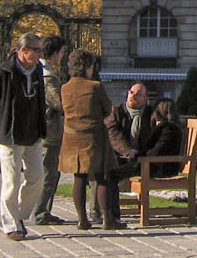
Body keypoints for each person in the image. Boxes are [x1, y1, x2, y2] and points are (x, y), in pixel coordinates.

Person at [0, 33, 49, 241]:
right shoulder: (2, 72)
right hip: (10, 135)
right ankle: (12, 225)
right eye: (36, 50)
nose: (40, 54)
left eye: (40, 50)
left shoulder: (37, 70)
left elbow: (40, 99)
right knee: (11, 181)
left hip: (33, 133)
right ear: (23, 51)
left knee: (37, 178)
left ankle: (18, 215)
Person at [58, 49, 127, 230]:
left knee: (78, 177)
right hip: (93, 136)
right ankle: (107, 218)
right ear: (88, 66)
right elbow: (107, 109)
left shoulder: (64, 88)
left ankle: (82, 219)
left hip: (72, 136)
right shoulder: (95, 87)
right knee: (100, 176)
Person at [30, 35, 69, 226]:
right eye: (61, 52)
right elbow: (58, 103)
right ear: (54, 54)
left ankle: (43, 210)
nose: (62, 56)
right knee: (49, 174)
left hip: (49, 129)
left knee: (51, 173)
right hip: (49, 130)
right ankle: (40, 212)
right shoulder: (47, 75)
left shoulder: (44, 71)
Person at [105, 81, 153, 224]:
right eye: (131, 92)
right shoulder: (116, 111)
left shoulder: (151, 114)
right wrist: (127, 151)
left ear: (145, 99)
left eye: (138, 94)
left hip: (142, 159)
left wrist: (138, 154)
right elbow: (113, 134)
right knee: (105, 171)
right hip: (121, 156)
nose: (133, 96)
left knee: (112, 175)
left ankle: (113, 216)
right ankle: (105, 213)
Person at [141, 99, 186, 179]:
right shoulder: (174, 128)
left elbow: (158, 150)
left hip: (163, 168)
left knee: (123, 169)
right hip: (163, 165)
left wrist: (141, 157)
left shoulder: (169, 129)